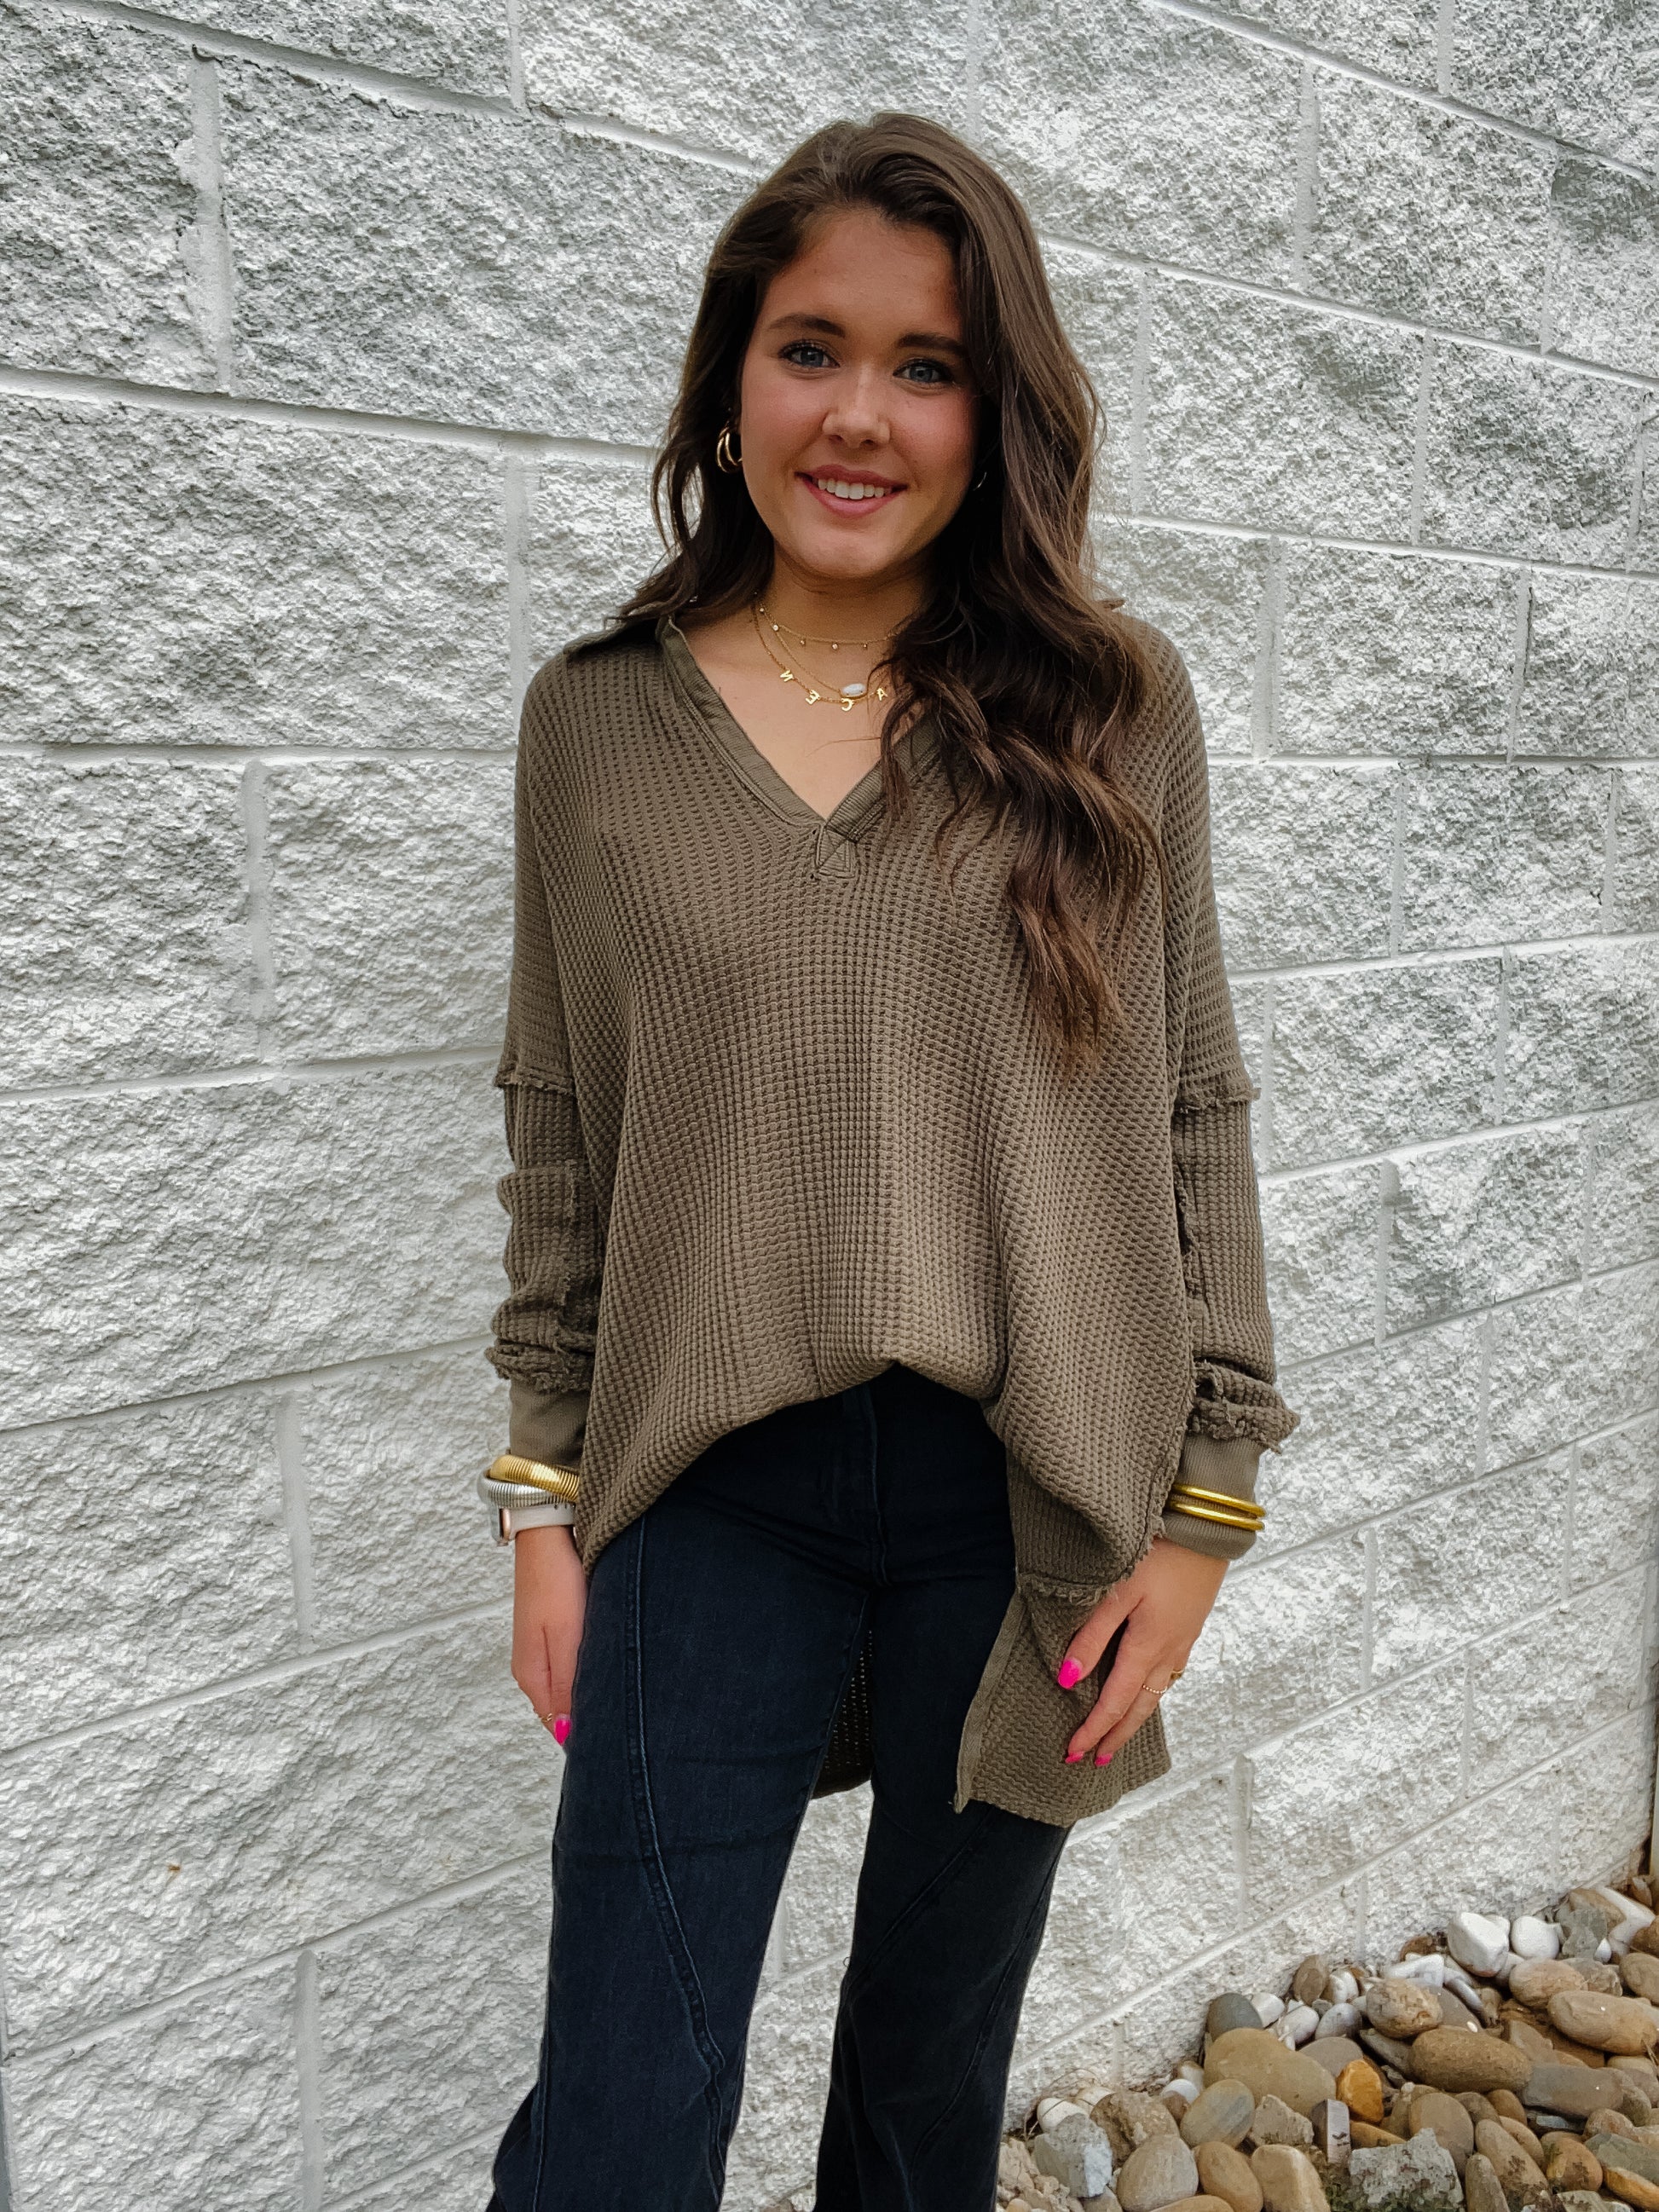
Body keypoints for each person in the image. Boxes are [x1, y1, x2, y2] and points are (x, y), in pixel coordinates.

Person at [474, 110, 1298, 2212]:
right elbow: (562, 1128)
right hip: (705, 1492)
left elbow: (1193, 1101)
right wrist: (543, 1499)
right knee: (618, 2124)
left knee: (924, 2108)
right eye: (810, 348)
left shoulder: (1107, 705)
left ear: (992, 408)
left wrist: (1204, 1508)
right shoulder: (594, 721)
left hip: (1023, 1501)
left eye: (926, 365)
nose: (859, 415)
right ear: (729, 375)